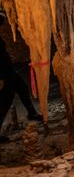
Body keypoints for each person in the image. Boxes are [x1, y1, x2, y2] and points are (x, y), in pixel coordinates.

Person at [0, 10, 42, 143]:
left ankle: (32, 112)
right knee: (5, 101)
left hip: (8, 70)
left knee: (22, 88)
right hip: (3, 73)